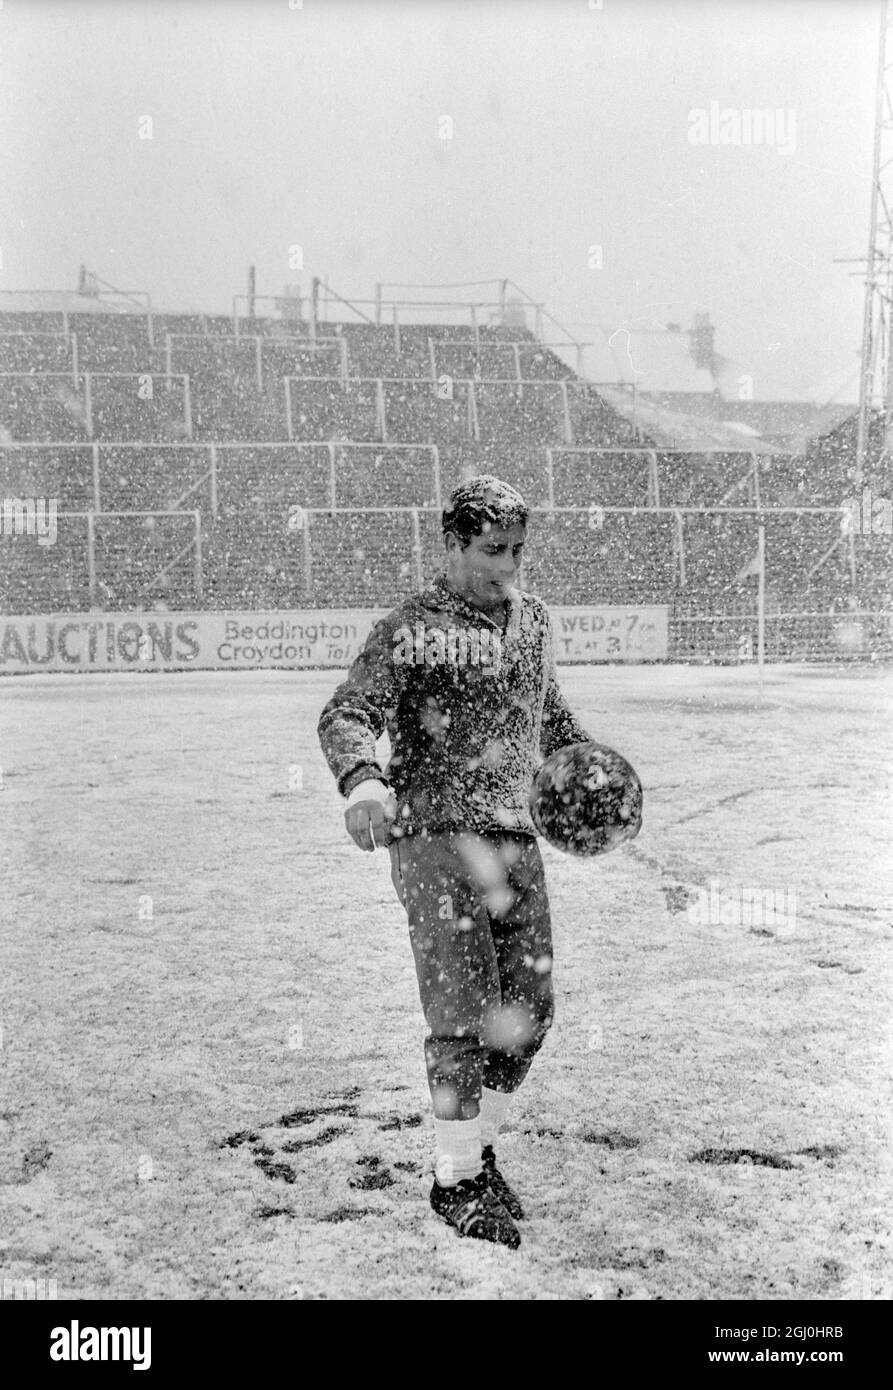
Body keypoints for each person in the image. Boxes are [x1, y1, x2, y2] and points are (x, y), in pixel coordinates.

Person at [317, 475, 594, 1248]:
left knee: (530, 1015)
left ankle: (478, 1146)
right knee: (461, 1016)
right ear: (451, 543)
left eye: (515, 550)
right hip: (435, 837)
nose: (505, 565)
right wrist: (363, 780)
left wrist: (585, 762)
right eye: (489, 550)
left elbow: (547, 711)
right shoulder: (409, 627)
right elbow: (349, 711)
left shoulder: (533, 620)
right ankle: (454, 1180)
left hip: (513, 836)